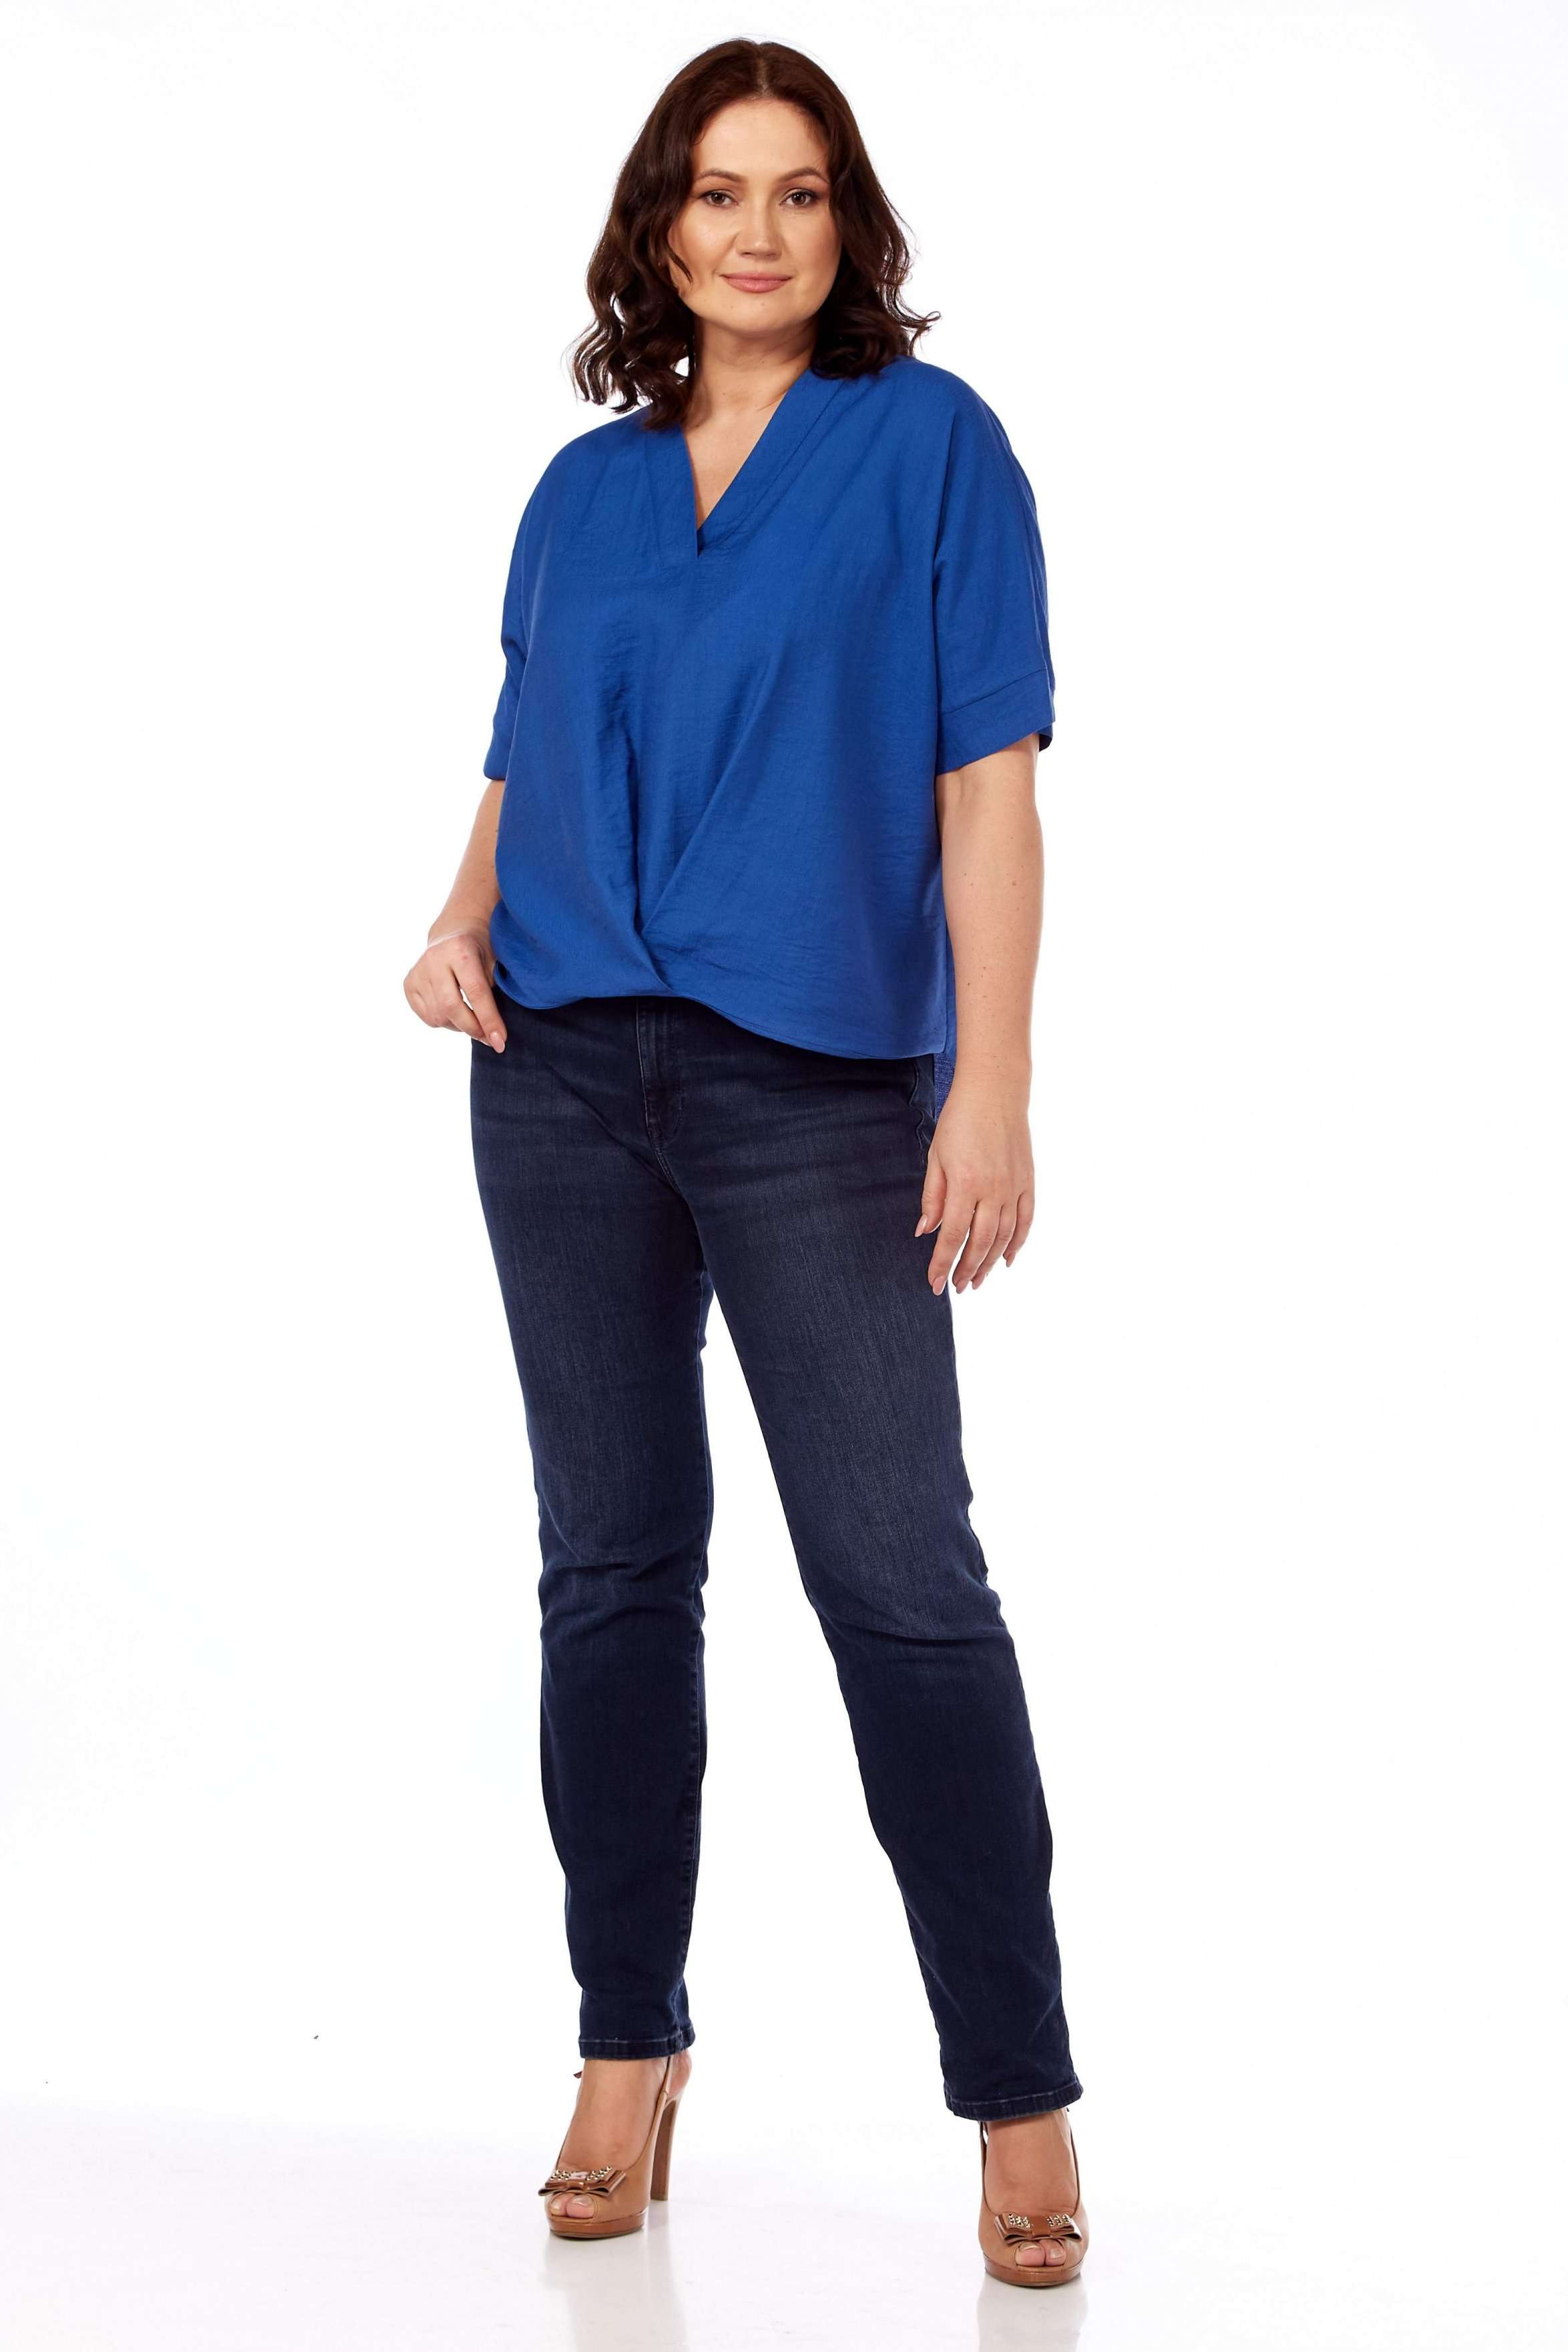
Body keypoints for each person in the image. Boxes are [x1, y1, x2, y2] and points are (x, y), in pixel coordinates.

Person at [403, 37, 1087, 2289]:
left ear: (845, 223)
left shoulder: (930, 448)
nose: (758, 231)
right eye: (718, 192)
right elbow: (522, 750)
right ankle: (627, 2046)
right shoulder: (580, 486)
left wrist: (988, 1081)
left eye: (798, 192)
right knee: (608, 1569)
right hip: (559, 1074)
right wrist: (456, 916)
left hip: (819, 1085)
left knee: (901, 1583)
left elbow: (987, 782)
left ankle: (1018, 2094)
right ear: (661, 225)